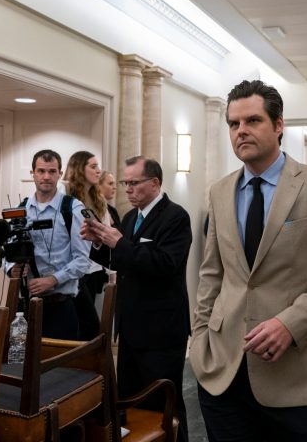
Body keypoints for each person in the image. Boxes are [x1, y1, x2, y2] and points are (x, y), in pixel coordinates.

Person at [190, 79, 307, 441]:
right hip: (224, 372)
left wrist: (290, 323)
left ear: (279, 125)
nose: (241, 131)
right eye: (234, 124)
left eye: (253, 121)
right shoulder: (220, 192)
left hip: (295, 376)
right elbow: (212, 273)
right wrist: (200, 338)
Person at [81, 156, 192, 442]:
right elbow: (121, 260)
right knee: (132, 405)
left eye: (134, 183)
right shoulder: (131, 218)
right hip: (130, 327)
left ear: (154, 183)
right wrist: (98, 242)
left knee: (166, 406)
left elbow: (166, 264)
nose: (127, 189)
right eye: (125, 183)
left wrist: (120, 243)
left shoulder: (176, 216)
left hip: (161, 330)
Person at [7, 149, 91, 340]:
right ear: (32, 174)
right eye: (41, 171)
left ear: (60, 174)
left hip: (60, 306)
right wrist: (11, 268)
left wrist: (53, 279)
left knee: (58, 367)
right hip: (25, 306)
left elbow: (82, 261)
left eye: (52, 171)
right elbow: (8, 252)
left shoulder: (73, 208)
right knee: (19, 362)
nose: (46, 177)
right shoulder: (20, 209)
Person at [64, 151, 117, 340]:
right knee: (86, 325)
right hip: (71, 269)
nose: (99, 170)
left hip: (93, 268)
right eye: (93, 167)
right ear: (79, 169)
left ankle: (82, 365)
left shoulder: (98, 200)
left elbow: (107, 235)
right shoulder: (65, 196)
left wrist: (112, 273)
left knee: (87, 326)